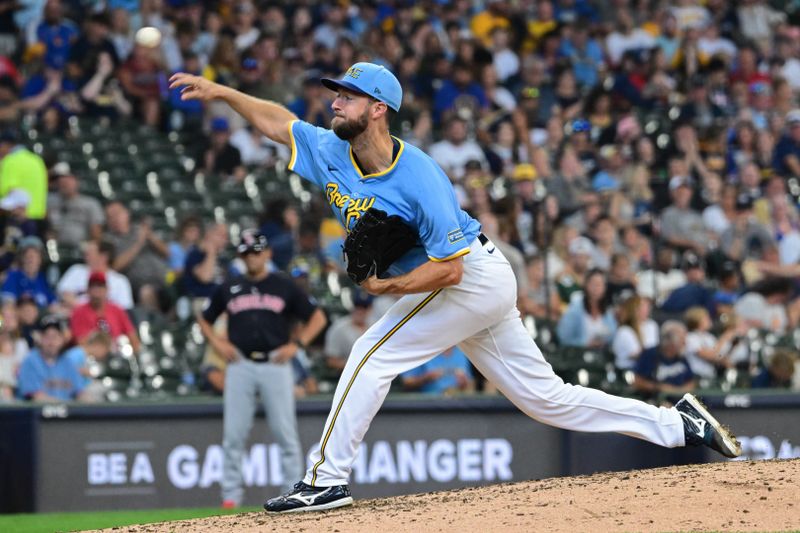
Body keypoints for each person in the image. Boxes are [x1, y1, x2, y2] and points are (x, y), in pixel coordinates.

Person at [170, 61, 741, 514]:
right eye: (334, 94)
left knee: (370, 353)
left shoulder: (419, 176)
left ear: (377, 109)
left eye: (345, 95)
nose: (333, 102)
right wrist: (222, 92)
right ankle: (677, 424)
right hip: (460, 287)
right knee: (546, 399)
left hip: (471, 277)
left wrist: (385, 286)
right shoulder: (331, 151)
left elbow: (450, 270)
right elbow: (277, 122)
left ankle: (326, 480)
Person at [196, 229, 327, 508]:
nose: (251, 258)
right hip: (240, 364)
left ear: (267, 253)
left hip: (275, 363)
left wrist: (297, 345)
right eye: (245, 253)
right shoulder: (229, 286)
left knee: (286, 434)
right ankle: (230, 497)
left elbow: (317, 317)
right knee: (234, 434)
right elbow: (204, 318)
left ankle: (292, 492)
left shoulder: (283, 286)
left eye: (255, 252)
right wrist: (218, 344)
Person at [16, 314, 88, 402]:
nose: (51, 342)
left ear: (62, 339)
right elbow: (35, 397)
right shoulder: (30, 361)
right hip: (36, 414)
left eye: (55, 336)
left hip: (69, 413)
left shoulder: (67, 361)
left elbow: (80, 392)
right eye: (47, 337)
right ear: (40, 339)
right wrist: (67, 407)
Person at [69, 271, 140, 353]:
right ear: (87, 290)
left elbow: (133, 338)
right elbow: (81, 343)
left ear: (107, 289)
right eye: (93, 287)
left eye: (100, 286)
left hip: (118, 356)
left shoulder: (117, 310)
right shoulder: (79, 312)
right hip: (92, 359)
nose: (96, 291)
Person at [57, 239, 133, 310]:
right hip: (74, 316)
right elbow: (64, 295)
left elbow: (124, 309)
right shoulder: (76, 270)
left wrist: (90, 311)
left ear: (104, 257)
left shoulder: (120, 281)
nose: (85, 256)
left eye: (89, 253)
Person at [633, 320, 697, 399]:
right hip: (654, 402)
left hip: (678, 403)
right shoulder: (650, 354)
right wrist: (659, 388)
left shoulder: (681, 357)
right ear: (671, 342)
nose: (685, 343)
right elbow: (637, 382)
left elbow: (691, 382)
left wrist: (675, 391)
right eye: (682, 340)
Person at [46, 163, 104, 247]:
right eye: (60, 180)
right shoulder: (49, 201)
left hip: (82, 248)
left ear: (77, 181)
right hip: (55, 248)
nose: (63, 183)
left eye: (68, 179)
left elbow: (96, 234)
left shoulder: (90, 203)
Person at [557, 268, 617, 348]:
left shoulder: (607, 311)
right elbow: (563, 338)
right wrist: (585, 343)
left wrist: (603, 341)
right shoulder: (574, 310)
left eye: (600, 284)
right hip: (577, 355)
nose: (596, 288)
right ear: (586, 285)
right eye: (594, 284)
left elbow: (612, 335)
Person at [324, 291, 373, 377]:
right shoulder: (338, 328)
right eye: (357, 306)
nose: (360, 311)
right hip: (347, 375)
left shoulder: (375, 326)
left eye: (364, 307)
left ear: (370, 309)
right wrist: (357, 368)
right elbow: (331, 360)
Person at [0, 236, 56, 309]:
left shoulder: (42, 278)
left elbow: (53, 304)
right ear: (21, 258)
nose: (31, 260)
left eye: (35, 256)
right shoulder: (13, 276)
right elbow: (8, 305)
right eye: (27, 256)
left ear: (40, 259)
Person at [611, 294, 659, 371]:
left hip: (647, 369)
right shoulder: (624, 331)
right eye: (644, 306)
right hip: (627, 371)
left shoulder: (652, 325)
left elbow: (655, 348)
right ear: (635, 310)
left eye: (648, 306)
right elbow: (637, 356)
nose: (647, 309)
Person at [400, 346, 475, 394]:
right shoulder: (423, 351)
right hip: (429, 405)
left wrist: (464, 383)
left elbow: (471, 386)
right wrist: (425, 378)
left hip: (456, 404)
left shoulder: (461, 351)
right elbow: (407, 382)